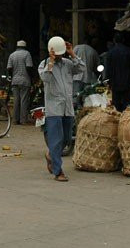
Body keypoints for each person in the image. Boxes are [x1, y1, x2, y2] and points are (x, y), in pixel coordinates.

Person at [38, 36, 83, 182]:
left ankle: (51, 155)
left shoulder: (68, 63)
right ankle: (58, 171)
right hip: (54, 108)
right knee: (56, 140)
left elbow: (82, 68)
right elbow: (45, 78)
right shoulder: (44, 64)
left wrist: (72, 53)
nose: (59, 56)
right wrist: (50, 62)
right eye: (57, 53)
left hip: (67, 107)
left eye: (61, 53)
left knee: (67, 139)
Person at [105, 32, 130, 112]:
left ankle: (118, 120)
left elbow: (108, 69)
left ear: (114, 40)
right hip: (127, 83)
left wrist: (109, 83)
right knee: (127, 105)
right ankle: (125, 121)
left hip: (115, 84)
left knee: (117, 105)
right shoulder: (129, 51)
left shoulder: (110, 53)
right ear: (123, 40)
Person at [6, 40, 34, 125]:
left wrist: (12, 76)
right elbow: (29, 67)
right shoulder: (27, 54)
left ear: (17, 47)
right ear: (25, 47)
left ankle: (15, 120)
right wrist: (31, 77)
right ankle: (23, 120)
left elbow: (9, 68)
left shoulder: (12, 55)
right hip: (25, 80)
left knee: (16, 100)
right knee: (24, 100)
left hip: (15, 81)